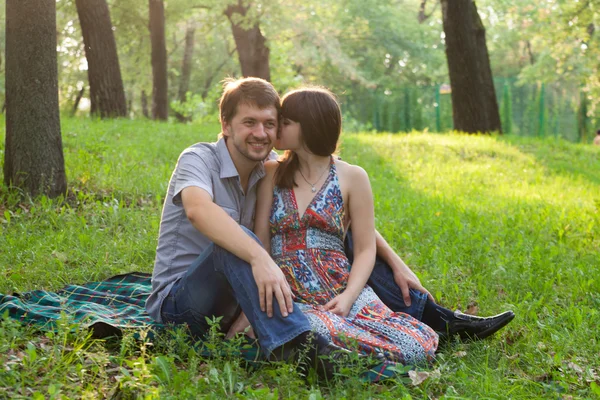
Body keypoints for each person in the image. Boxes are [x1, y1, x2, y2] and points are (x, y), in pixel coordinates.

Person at [145, 77, 353, 379]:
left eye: (269, 124)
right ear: (226, 124)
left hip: (237, 302)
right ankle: (299, 345)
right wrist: (260, 257)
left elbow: (329, 209)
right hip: (181, 307)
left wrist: (397, 265)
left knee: (332, 239)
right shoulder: (198, 159)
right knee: (232, 239)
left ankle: (426, 312)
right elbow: (197, 211)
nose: (261, 133)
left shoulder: (271, 169)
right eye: (249, 122)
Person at [253, 87, 438, 364]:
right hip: (292, 294)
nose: (276, 126)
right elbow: (261, 241)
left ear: (309, 127)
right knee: (316, 331)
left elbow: (364, 249)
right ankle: (336, 355)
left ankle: (347, 357)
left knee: (414, 347)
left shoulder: (353, 177)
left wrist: (349, 297)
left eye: (286, 121)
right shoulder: (272, 172)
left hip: (340, 288)